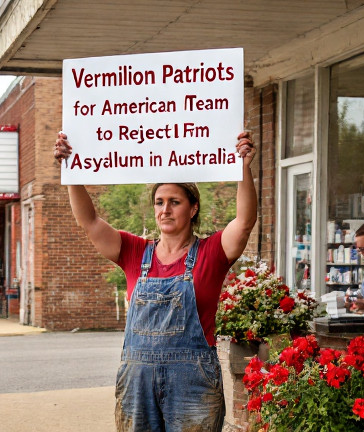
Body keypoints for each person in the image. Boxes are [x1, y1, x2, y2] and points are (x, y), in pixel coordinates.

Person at [54, 131, 257, 432]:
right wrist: (70, 171)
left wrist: (243, 167)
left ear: (193, 208)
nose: (165, 209)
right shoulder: (134, 252)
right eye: (160, 202)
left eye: (175, 201)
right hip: (138, 385)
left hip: (194, 384)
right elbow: (90, 222)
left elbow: (244, 222)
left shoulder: (212, 252)